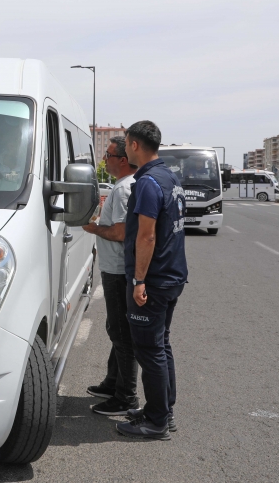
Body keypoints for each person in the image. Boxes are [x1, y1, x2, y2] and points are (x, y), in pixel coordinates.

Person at [117, 120, 188, 440]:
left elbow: (146, 237)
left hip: (154, 280)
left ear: (133, 145)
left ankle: (157, 421)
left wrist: (138, 281)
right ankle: (163, 409)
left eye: (126, 143)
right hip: (172, 275)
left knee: (149, 349)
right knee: (161, 344)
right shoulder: (169, 175)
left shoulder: (146, 183)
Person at [81, 136, 139, 415]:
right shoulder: (121, 186)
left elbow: (121, 232)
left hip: (118, 269)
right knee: (117, 328)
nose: (105, 160)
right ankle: (112, 382)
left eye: (109, 155)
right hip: (114, 267)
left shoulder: (125, 189)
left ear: (123, 160)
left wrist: (93, 229)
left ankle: (126, 397)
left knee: (120, 332)